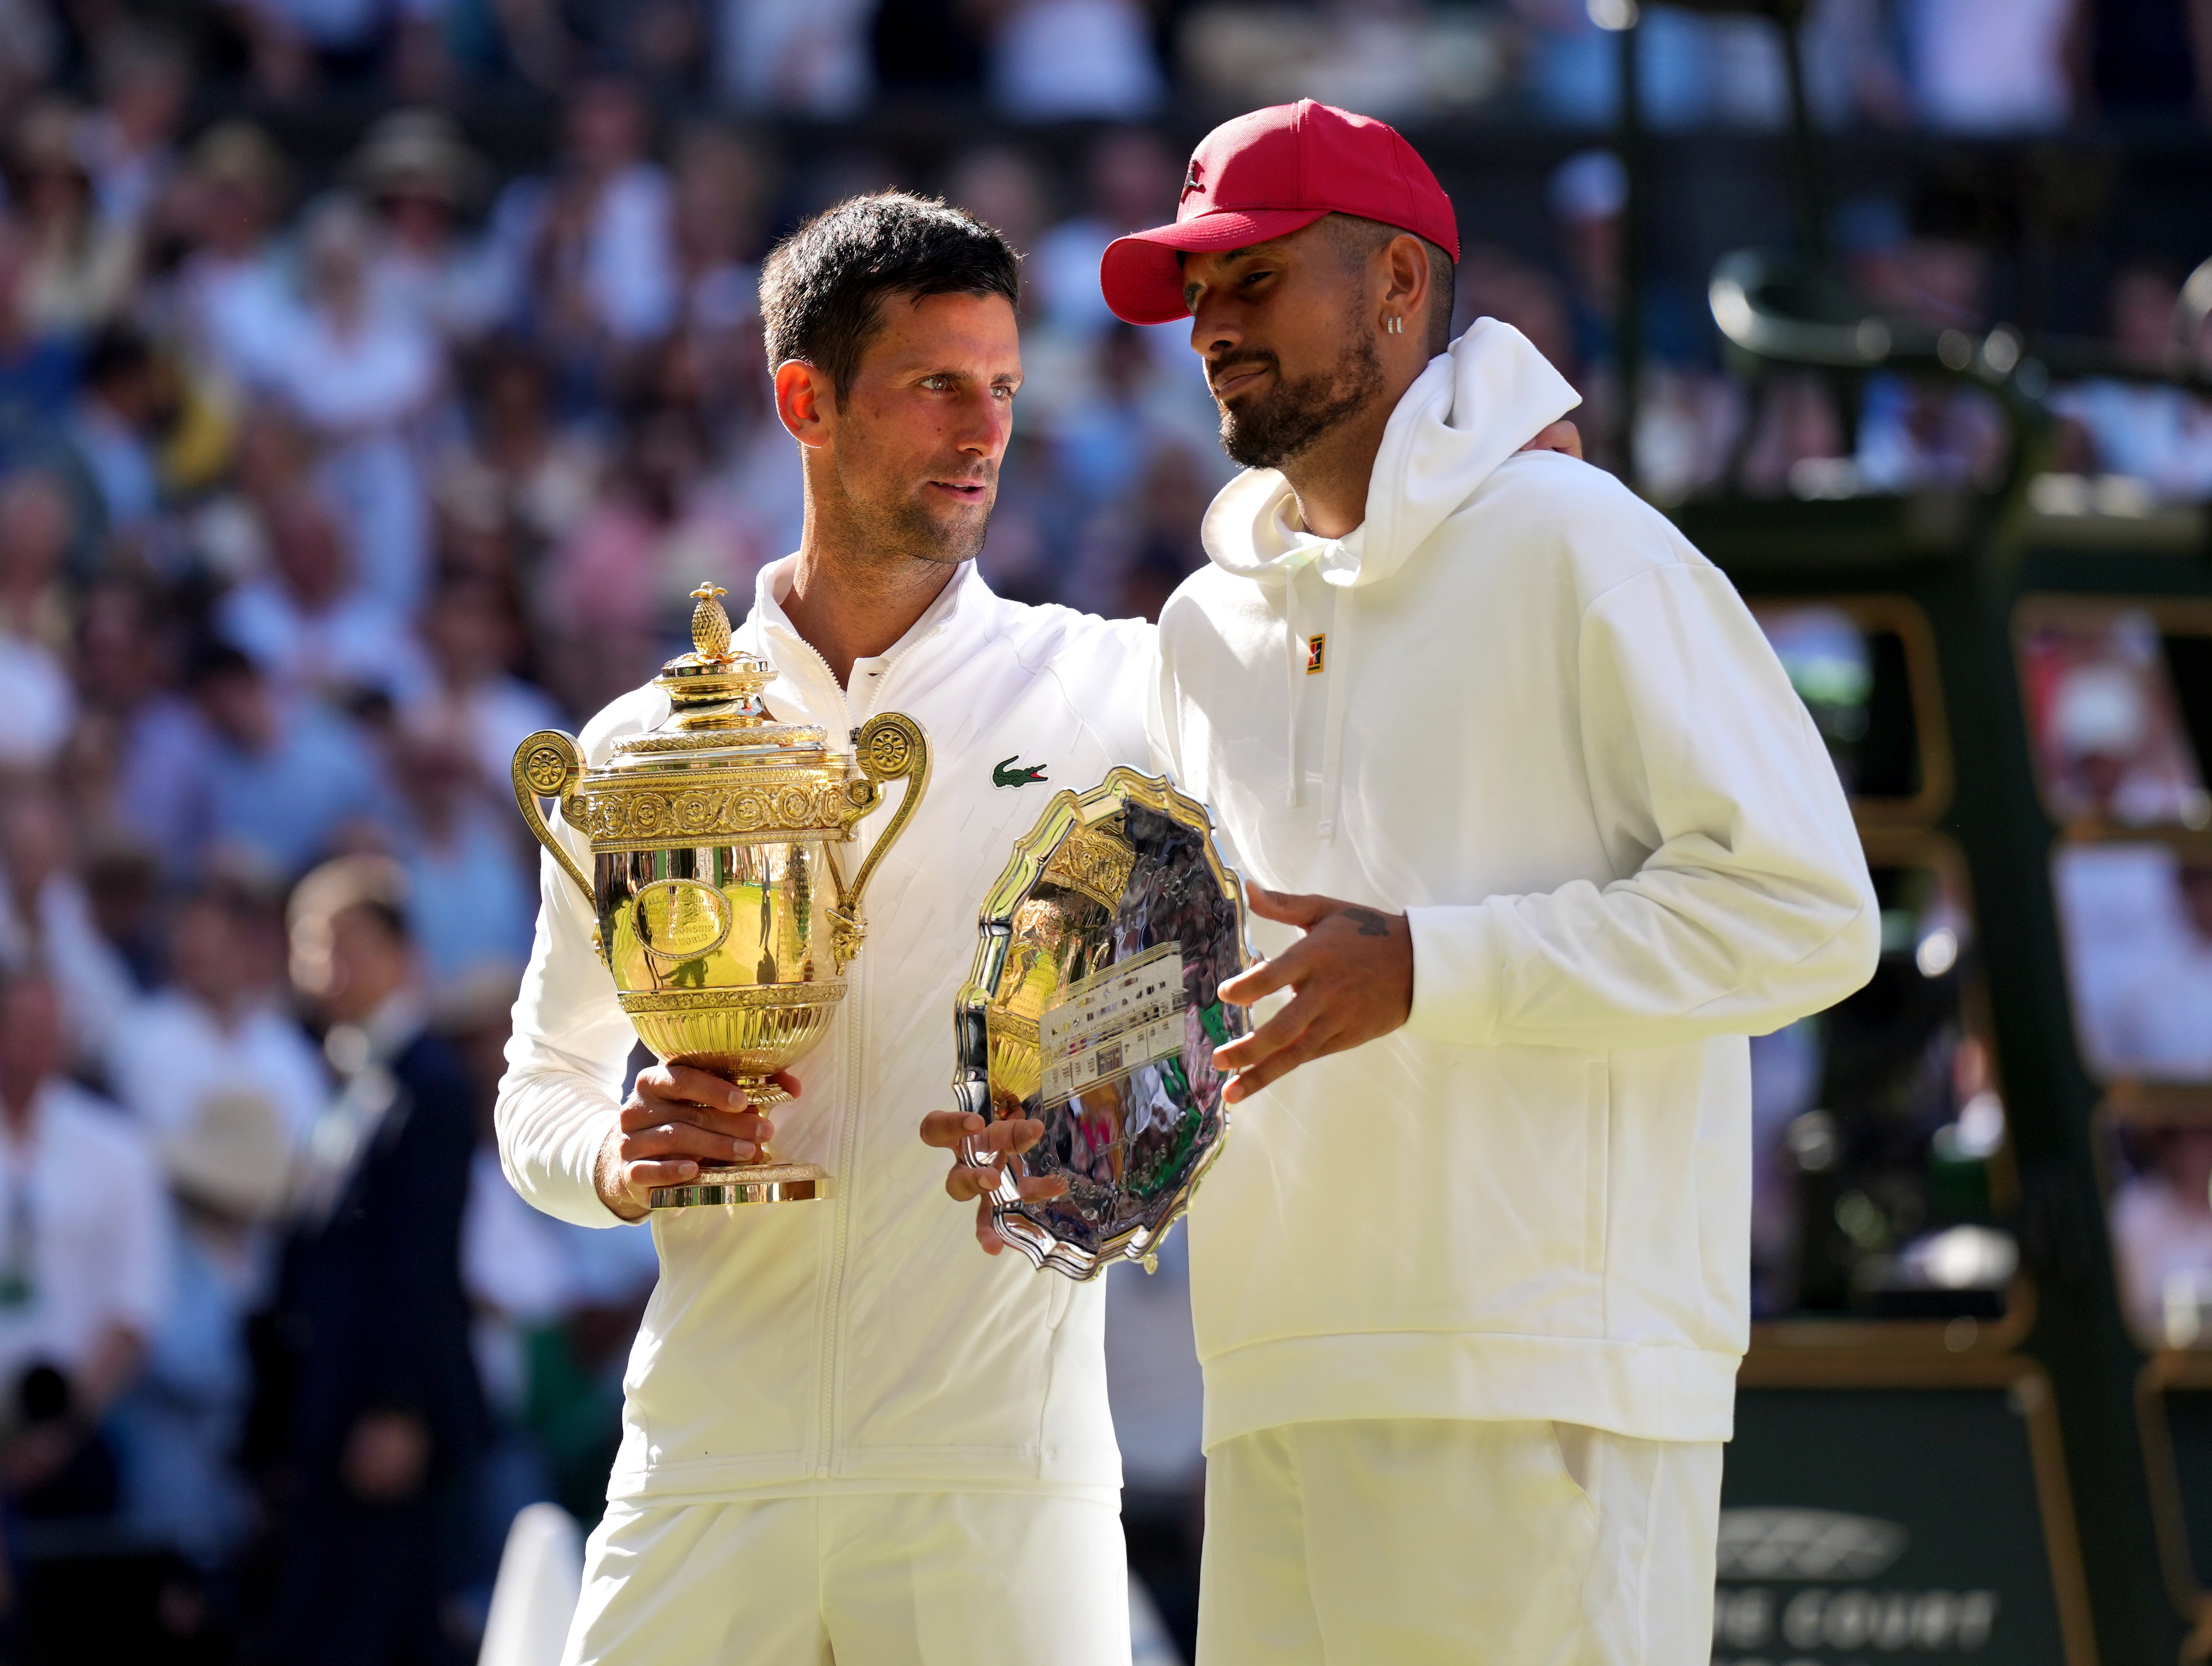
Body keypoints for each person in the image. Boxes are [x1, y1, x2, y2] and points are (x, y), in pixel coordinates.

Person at [939, 100, 1879, 1663]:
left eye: (1251, 280)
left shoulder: (1581, 543)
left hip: (1544, 1377)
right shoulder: (1199, 627)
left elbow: (1804, 907)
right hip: (1275, 1374)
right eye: (1194, 293)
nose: (1211, 327)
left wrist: (1434, 966)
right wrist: (1075, 1119)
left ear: (1393, 283)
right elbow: (1219, 987)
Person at [495, 191, 1153, 1666]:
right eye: (935, 385)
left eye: (1001, 387)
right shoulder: (639, 746)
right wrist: (615, 1151)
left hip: (999, 1476)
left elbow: (1217, 983)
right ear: (804, 399)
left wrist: (1112, 1112)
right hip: (706, 1460)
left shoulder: (1114, 689)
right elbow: (539, 1088)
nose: (979, 429)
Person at [251, 856, 485, 1666]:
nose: (326, 964)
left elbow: (416, 1257)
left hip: (382, 1420)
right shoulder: (355, 1078)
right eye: (311, 942)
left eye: (346, 941)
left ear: (401, 954)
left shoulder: (426, 1084)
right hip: (333, 1409)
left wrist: (397, 1406)